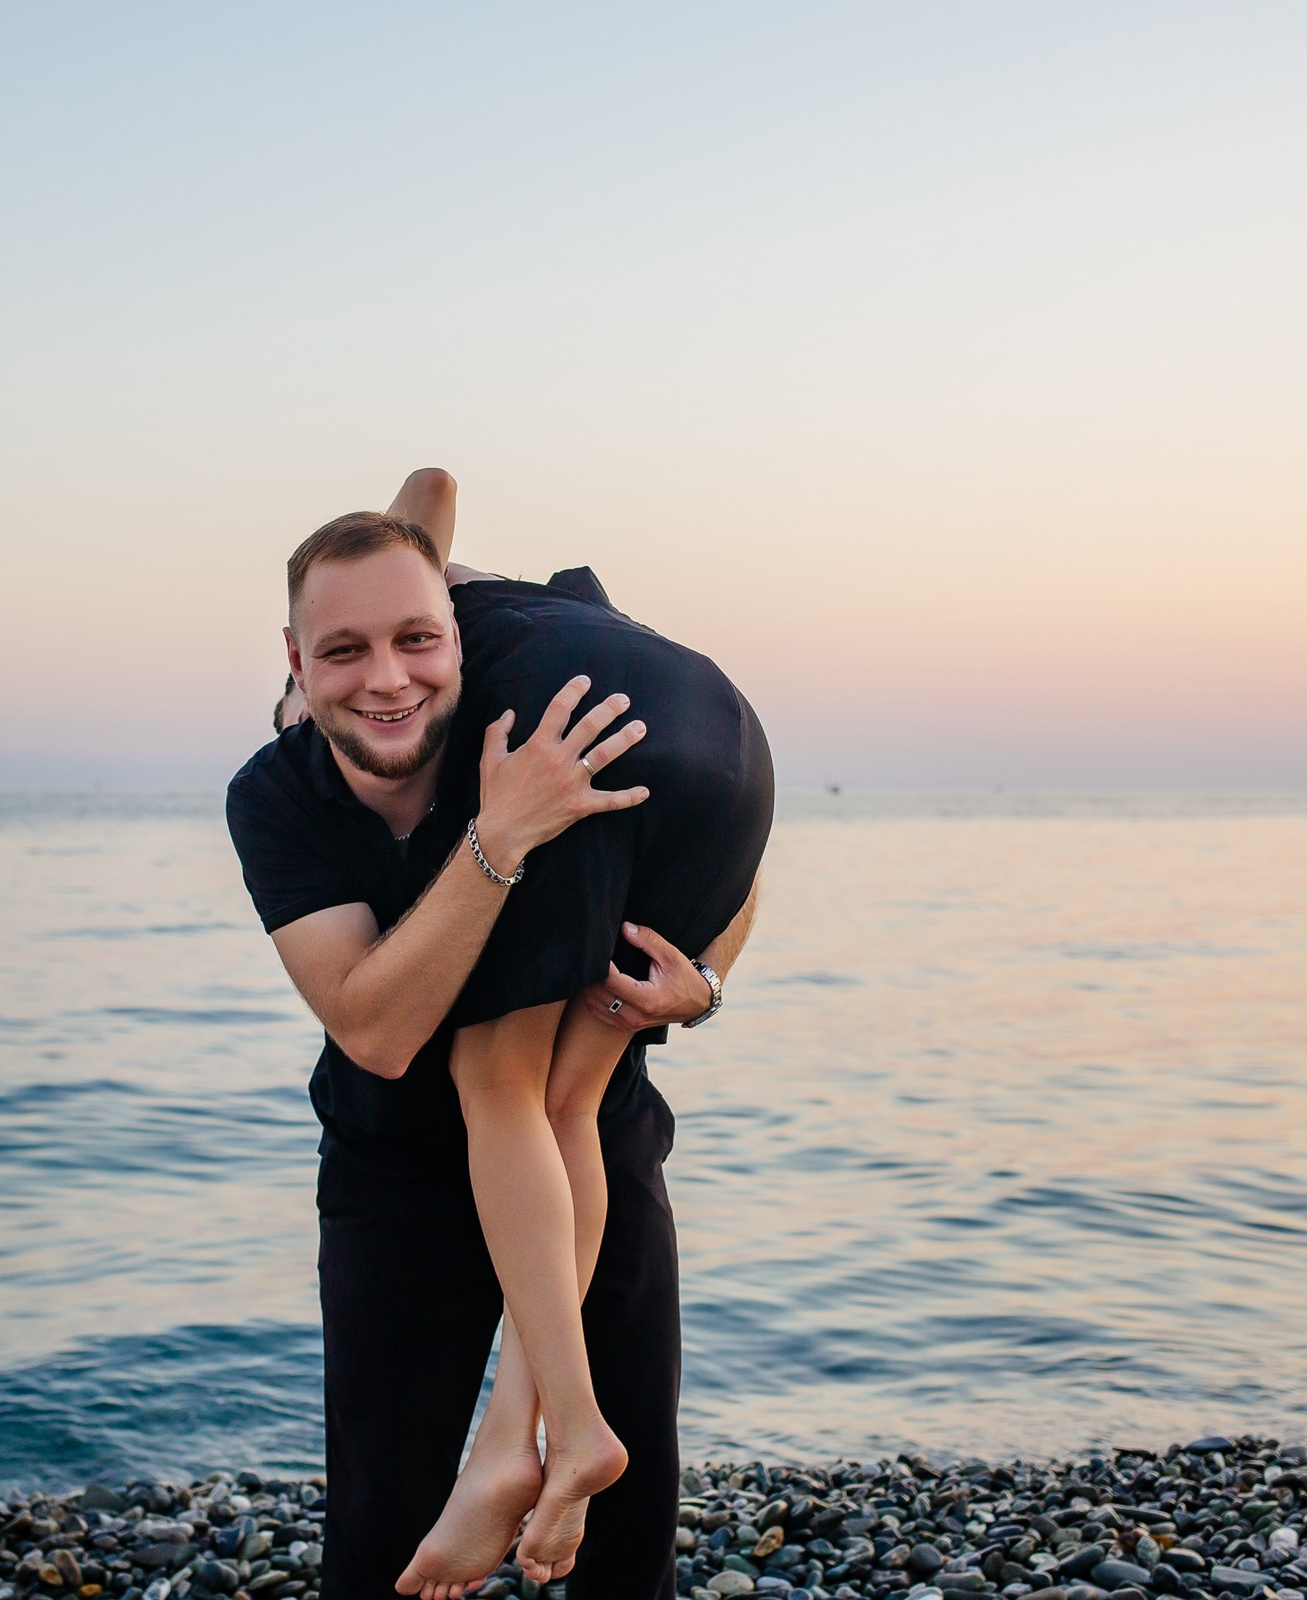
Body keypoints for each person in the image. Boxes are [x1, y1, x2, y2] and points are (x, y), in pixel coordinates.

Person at [226, 470, 771, 1600]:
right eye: (338, 660)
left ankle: (545, 1443)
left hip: (598, 1152)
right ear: (292, 672)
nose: (386, 683)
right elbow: (374, 1028)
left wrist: (703, 984)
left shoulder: (526, 705)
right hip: (400, 1176)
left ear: (448, 626)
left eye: (414, 640)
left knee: (628, 1538)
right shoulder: (279, 799)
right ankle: (518, 1450)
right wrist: (497, 835)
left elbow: (722, 859)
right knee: (386, 1540)